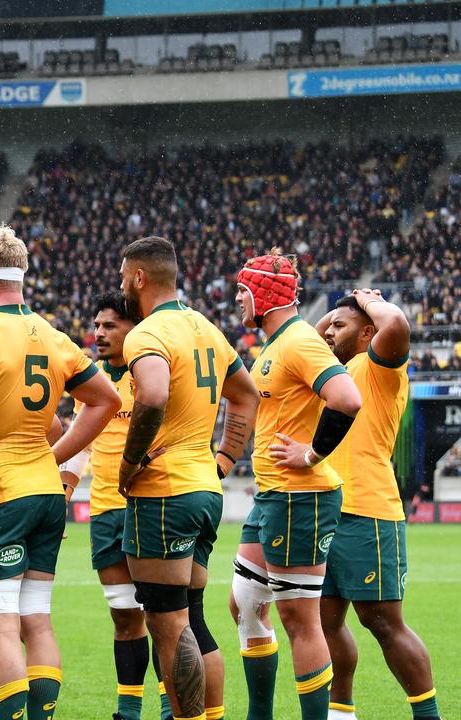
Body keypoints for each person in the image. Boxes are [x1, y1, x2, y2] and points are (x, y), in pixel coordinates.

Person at [0, 226, 121, 720]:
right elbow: (106, 400)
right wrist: (54, 458)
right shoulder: (53, 335)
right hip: (45, 494)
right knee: (37, 620)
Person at [117, 236, 259, 720]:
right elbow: (246, 396)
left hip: (163, 494)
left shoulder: (147, 333)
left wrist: (129, 463)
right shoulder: (207, 328)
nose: (122, 287)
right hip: (204, 488)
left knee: (167, 623)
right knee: (194, 619)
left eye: (123, 277)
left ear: (139, 277)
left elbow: (153, 396)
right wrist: (222, 461)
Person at [228, 252, 361, 720]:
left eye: (243, 291)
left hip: (300, 497)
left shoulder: (297, 343)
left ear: (261, 295)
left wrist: (312, 453)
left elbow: (347, 398)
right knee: (244, 603)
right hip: (273, 495)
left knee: (299, 619)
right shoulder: (279, 341)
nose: (237, 299)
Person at [318, 291, 441, 720]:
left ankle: (429, 717)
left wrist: (370, 301)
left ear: (368, 330)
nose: (329, 331)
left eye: (340, 325)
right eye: (329, 324)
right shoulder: (333, 371)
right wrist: (336, 317)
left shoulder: (378, 365)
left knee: (383, 622)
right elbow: (308, 342)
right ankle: (340, 713)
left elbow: (397, 326)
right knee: (324, 623)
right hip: (325, 509)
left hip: (367, 510)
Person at [59, 291, 175, 720]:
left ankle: (170, 706)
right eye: (98, 325)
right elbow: (78, 446)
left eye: (111, 326)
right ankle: (128, 710)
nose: (99, 333)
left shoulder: (154, 371)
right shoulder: (91, 381)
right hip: (107, 510)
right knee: (125, 616)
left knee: (163, 617)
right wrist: (64, 496)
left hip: (151, 504)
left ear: (134, 328)